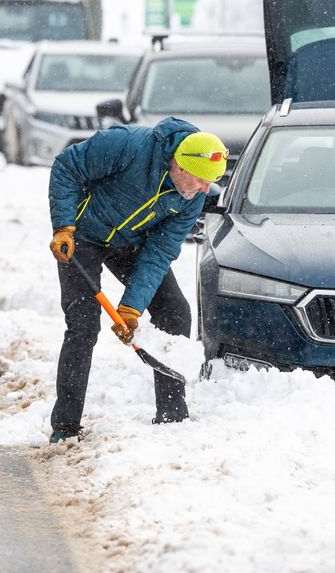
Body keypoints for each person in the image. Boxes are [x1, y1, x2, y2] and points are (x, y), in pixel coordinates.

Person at [47, 118, 227, 443]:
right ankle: (66, 427)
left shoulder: (192, 196)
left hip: (132, 242)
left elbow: (160, 251)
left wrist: (131, 307)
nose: (205, 190)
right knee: (83, 326)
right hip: (82, 236)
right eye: (202, 181)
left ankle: (172, 416)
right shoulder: (127, 145)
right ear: (180, 166)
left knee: (175, 312)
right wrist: (63, 224)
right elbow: (67, 166)